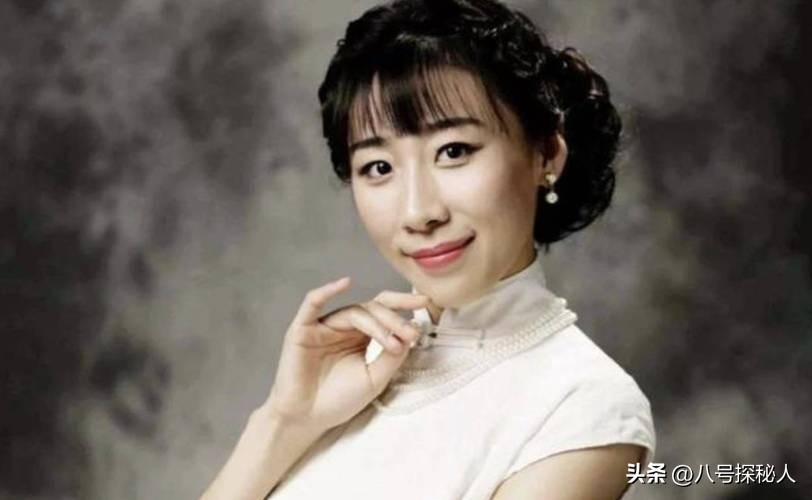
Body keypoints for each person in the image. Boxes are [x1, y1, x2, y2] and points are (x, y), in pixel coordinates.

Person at [200, 0, 656, 498]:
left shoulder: (583, 408)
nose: (419, 212)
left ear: (545, 154)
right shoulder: (347, 380)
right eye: (378, 167)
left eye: (453, 151)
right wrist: (285, 420)